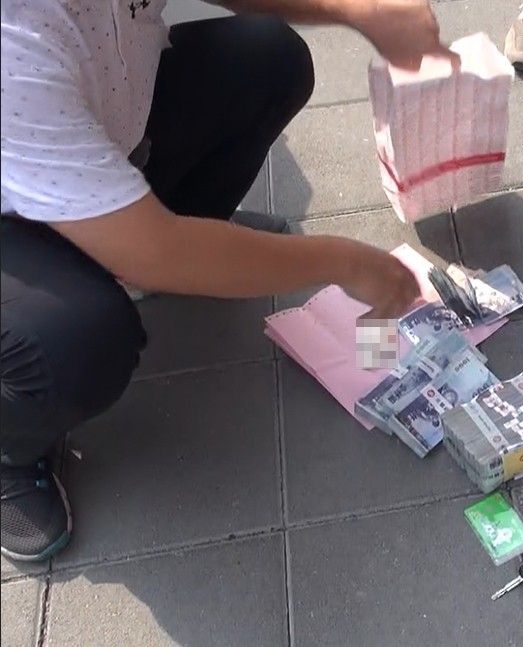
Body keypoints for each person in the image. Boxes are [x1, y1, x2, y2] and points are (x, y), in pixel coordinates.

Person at [0, 0, 457, 562]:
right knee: (77, 338)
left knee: (271, 59)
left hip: (92, 129)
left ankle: (175, 238)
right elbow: (158, 252)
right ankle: (10, 449)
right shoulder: (13, 46)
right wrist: (346, 262)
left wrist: (360, 11)